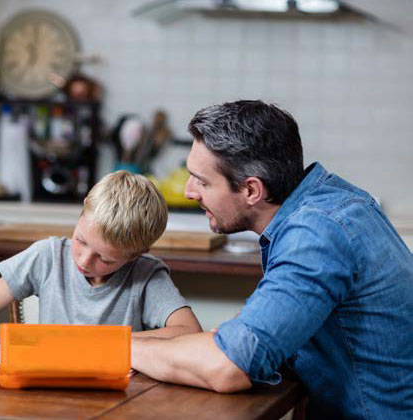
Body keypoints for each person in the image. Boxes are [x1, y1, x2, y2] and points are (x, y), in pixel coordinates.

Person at [131, 100, 413, 419]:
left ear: (252, 190)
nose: (188, 191)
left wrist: (116, 349)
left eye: (202, 181)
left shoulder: (316, 236)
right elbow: (251, 340)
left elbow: (229, 366)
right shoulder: (330, 202)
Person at [0, 170, 202, 351]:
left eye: (104, 259)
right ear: (83, 211)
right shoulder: (47, 256)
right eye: (80, 240)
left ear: (137, 254)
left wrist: (103, 340)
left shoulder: (145, 275)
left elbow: (189, 332)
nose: (83, 260)